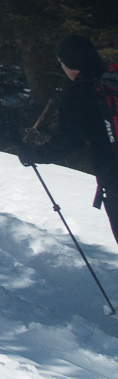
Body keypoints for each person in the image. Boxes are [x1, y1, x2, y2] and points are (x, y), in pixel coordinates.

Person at [21, 35, 118, 246]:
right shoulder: (113, 82)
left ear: (70, 64)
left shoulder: (79, 94)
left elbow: (69, 141)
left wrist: (34, 155)